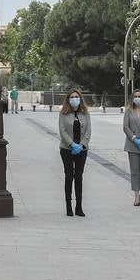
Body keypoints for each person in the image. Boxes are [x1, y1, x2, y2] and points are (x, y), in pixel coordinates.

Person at [58, 89, 91, 217]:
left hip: (82, 149)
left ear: (80, 98)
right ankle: (68, 206)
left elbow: (88, 130)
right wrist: (72, 144)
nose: (74, 99)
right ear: (68, 99)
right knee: (68, 176)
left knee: (79, 177)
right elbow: (62, 130)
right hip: (67, 149)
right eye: (72, 97)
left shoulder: (85, 112)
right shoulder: (63, 112)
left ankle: (79, 207)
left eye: (76, 97)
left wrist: (82, 145)